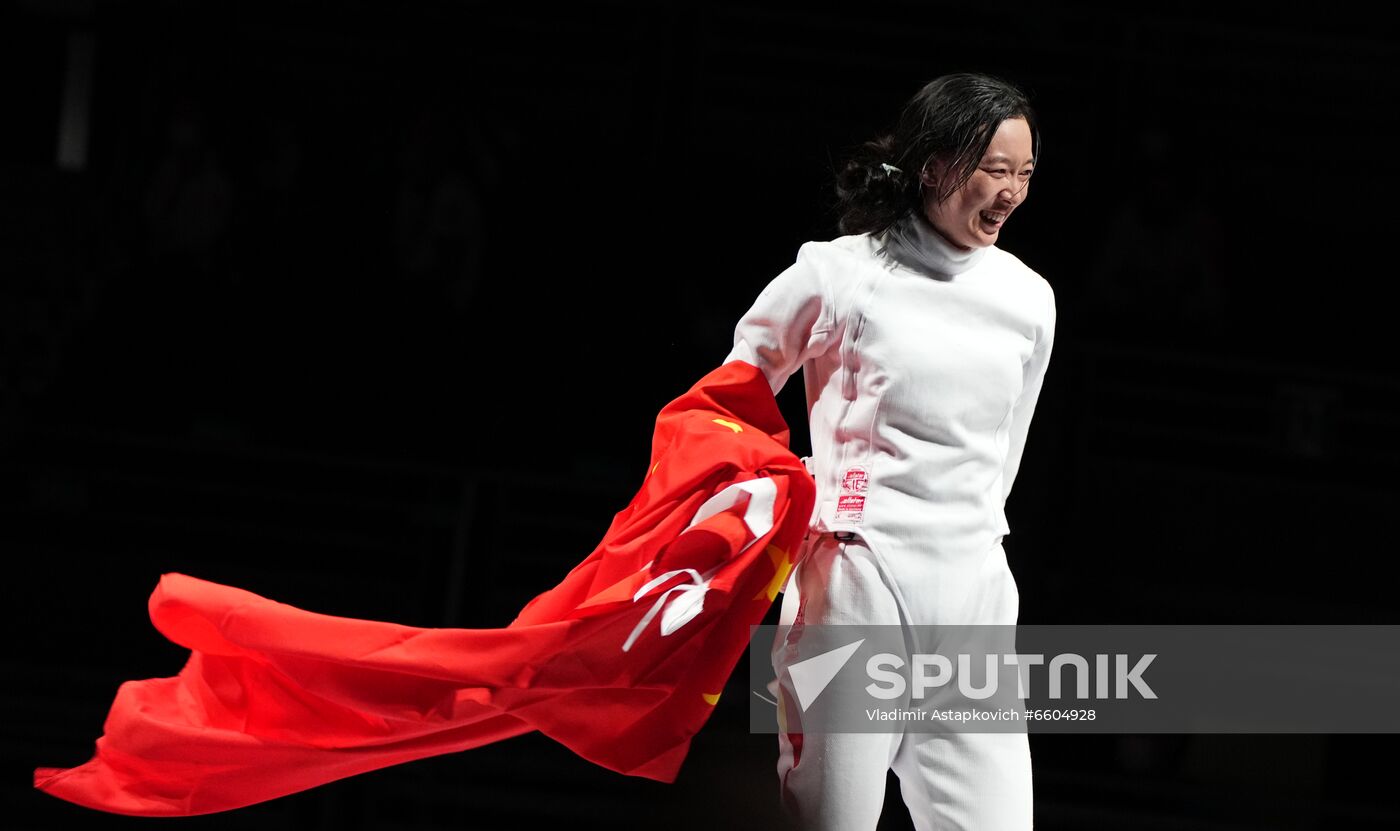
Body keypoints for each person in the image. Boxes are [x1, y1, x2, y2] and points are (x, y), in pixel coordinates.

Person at [724, 72, 1054, 830]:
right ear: (934, 163)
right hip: (856, 584)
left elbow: (1005, 458)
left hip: (972, 596)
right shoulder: (841, 273)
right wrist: (777, 493)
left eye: (1025, 174)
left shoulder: (1030, 298)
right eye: (994, 171)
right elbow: (736, 387)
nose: (1011, 192)